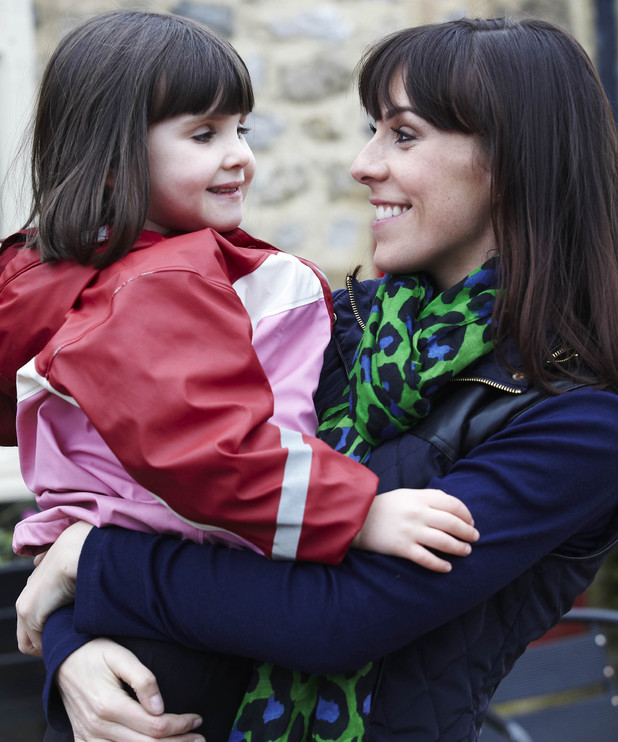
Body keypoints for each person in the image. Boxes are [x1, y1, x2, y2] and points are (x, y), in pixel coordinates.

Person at [16, 14, 618, 742]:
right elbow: (134, 491)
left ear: (516, 159)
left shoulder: (578, 419)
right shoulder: (333, 328)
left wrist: (93, 564)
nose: (361, 165)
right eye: (371, 131)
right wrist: (73, 652)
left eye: (402, 135)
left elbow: (339, 617)